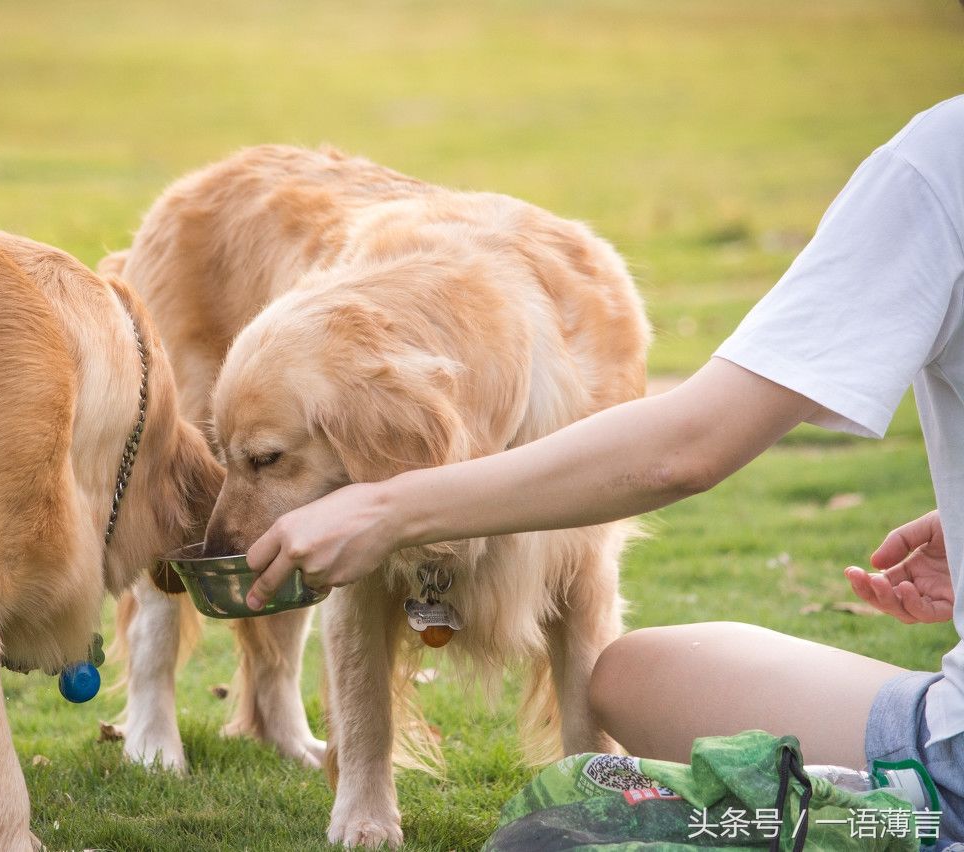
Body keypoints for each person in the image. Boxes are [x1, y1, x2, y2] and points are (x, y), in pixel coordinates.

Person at [243, 95, 964, 845]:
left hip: (954, 760)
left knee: (544, 838)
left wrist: (389, 509)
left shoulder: (936, 163)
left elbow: (687, 448)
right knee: (627, 675)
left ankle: (917, 820)